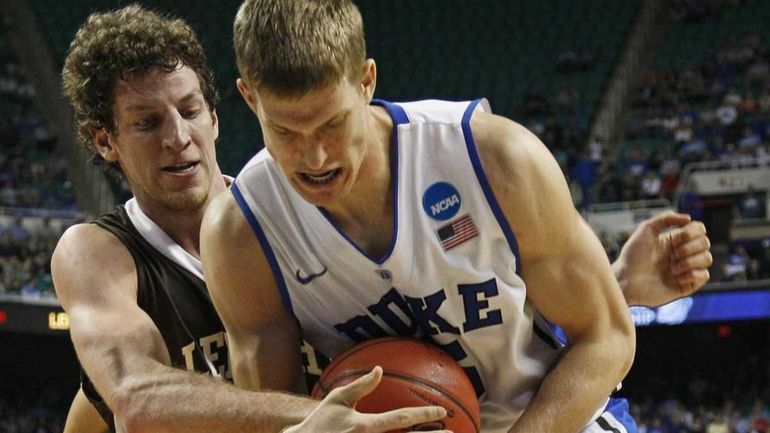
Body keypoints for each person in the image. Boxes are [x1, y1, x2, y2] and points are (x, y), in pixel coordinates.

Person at [200, 1, 713, 433]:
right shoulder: (242, 232)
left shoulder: (494, 158)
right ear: (249, 98)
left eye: (332, 124)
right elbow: (276, 412)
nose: (314, 158)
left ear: (365, 81)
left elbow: (607, 337)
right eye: (286, 131)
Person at [53, 6, 448, 433]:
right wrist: (323, 418)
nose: (178, 138)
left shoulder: (291, 214)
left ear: (215, 118)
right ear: (105, 140)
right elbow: (135, 398)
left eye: (190, 112)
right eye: (147, 123)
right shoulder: (97, 253)